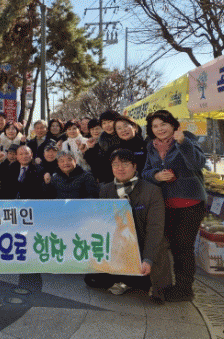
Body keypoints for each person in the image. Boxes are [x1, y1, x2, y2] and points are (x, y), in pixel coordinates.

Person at [84, 149, 171, 304]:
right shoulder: (106, 190)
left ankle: (134, 280)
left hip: (143, 243)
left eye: (125, 164)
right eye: (115, 164)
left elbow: (155, 228)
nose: (120, 168)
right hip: (119, 245)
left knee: (151, 277)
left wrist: (148, 259)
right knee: (92, 279)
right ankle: (128, 280)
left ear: (134, 166)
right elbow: (102, 224)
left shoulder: (152, 191)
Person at [142, 109, 206, 302]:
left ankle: (185, 289)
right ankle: (168, 285)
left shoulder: (187, 138)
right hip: (165, 204)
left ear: (173, 124)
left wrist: (183, 143)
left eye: (164, 124)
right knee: (168, 246)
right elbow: (145, 172)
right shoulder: (151, 146)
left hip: (190, 203)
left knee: (183, 247)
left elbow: (198, 163)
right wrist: (156, 175)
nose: (160, 129)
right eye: (155, 126)